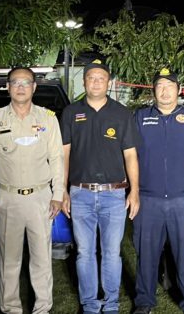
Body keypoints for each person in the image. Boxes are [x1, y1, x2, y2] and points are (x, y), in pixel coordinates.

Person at [0, 67, 64, 314]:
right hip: (8, 198)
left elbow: (57, 159)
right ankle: (11, 309)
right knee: (9, 261)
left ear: (34, 87)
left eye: (26, 82)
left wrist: (58, 195)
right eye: (15, 82)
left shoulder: (48, 119)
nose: (20, 87)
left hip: (40, 197)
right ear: (8, 87)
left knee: (42, 260)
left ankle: (42, 309)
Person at [61, 59, 140, 314]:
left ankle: (111, 305)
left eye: (101, 78)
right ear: (84, 81)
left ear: (109, 82)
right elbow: (64, 154)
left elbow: (130, 155)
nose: (96, 82)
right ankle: (90, 305)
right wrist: (62, 190)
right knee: (84, 253)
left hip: (114, 195)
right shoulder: (70, 113)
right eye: (91, 78)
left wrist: (135, 191)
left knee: (111, 253)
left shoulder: (122, 114)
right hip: (80, 194)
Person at [133, 68, 184, 314]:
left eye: (170, 86)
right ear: (153, 90)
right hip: (148, 199)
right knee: (146, 255)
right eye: (160, 86)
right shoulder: (140, 118)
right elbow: (129, 156)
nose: (165, 91)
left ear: (179, 89)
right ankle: (144, 302)